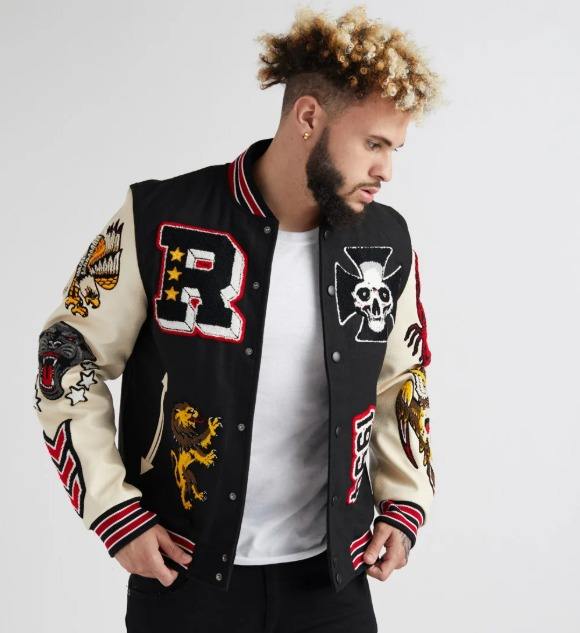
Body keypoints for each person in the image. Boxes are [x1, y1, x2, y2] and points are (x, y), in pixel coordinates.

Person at [33, 5, 443, 632]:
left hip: (331, 582)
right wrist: (114, 513)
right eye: (374, 144)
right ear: (309, 117)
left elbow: (401, 377)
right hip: (183, 577)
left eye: (394, 148)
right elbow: (66, 351)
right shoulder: (160, 217)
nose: (386, 169)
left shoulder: (386, 241)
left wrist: (403, 502)